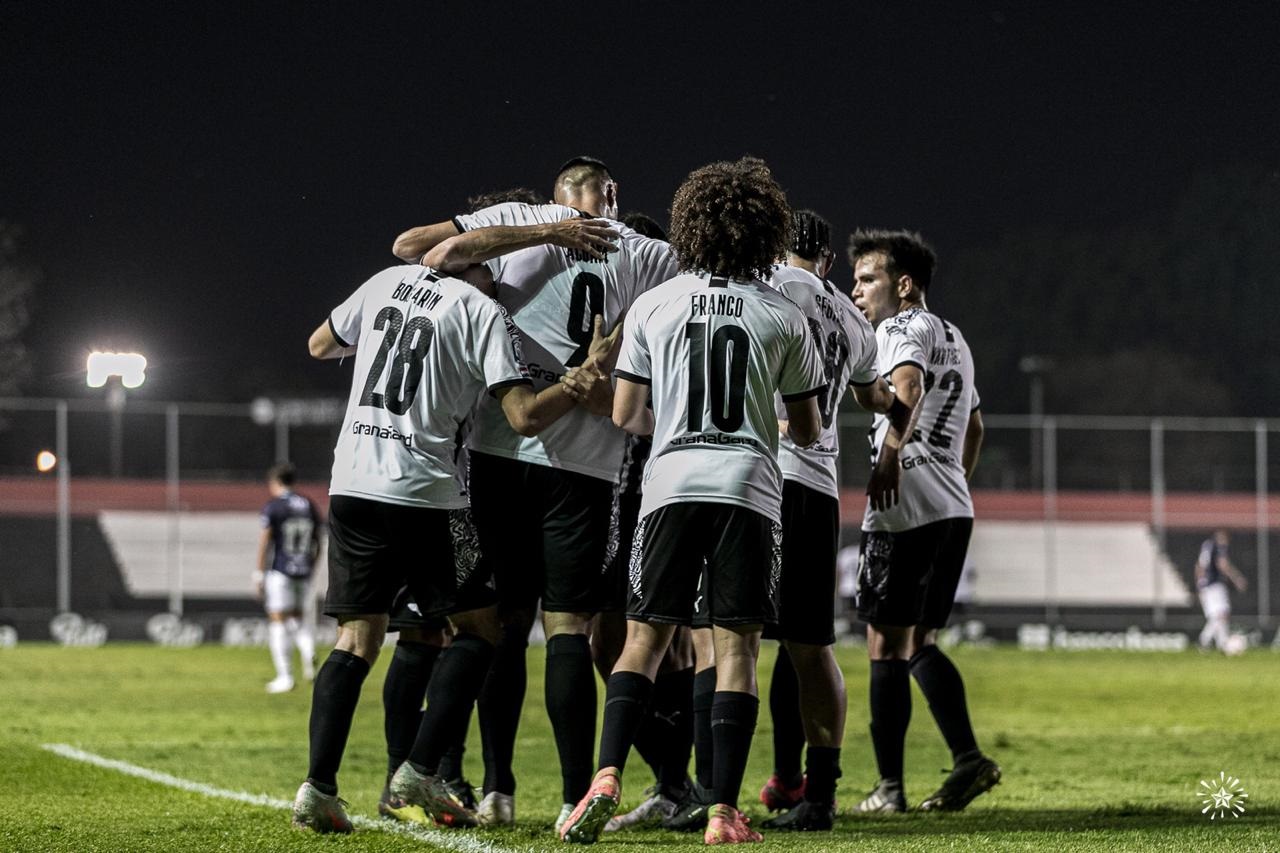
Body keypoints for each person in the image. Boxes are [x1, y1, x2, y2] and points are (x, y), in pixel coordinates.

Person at [290, 215, 613, 834]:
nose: (498, 282)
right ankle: (419, 768)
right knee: (483, 627)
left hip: (352, 483)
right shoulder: (480, 311)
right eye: (491, 271)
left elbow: (319, 345)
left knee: (355, 640)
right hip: (427, 496)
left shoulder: (383, 283)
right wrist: (577, 380)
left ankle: (319, 787)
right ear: (474, 265)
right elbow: (521, 417)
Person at [392, 157, 678, 829]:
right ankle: (570, 795)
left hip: (497, 451)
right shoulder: (642, 251)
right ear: (614, 195)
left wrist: (535, 231)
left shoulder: (514, 220)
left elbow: (419, 250)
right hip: (581, 463)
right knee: (566, 628)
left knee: (502, 625)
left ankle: (496, 786)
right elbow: (707, 289)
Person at [559, 156, 826, 846]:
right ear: (765, 232)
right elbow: (807, 429)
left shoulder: (655, 303)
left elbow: (624, 413)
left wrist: (677, 420)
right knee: (734, 649)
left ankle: (607, 775)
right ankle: (720, 812)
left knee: (643, 639)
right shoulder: (782, 312)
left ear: (692, 228)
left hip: (671, 482)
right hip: (748, 488)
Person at [849, 228, 1000, 814]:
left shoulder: (898, 329)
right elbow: (977, 428)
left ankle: (889, 789)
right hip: (951, 505)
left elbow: (905, 385)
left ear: (903, 285)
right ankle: (966, 759)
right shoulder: (956, 339)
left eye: (868, 279)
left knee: (884, 645)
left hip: (904, 503)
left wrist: (891, 460)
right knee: (918, 642)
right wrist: (951, 479)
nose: (856, 291)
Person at [756, 210, 894, 831]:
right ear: (830, 261)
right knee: (808, 647)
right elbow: (873, 395)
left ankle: (708, 791)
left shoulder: (766, 289)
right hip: (820, 488)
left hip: (763, 477)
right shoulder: (851, 318)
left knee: (717, 641)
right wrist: (898, 423)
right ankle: (815, 791)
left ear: (777, 249)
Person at [255, 462, 321, 694]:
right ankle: (308, 652)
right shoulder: (309, 505)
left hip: (281, 571)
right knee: (297, 619)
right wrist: (312, 568)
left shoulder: (274, 507)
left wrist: (259, 573)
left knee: (278, 621)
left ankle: (285, 677)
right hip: (303, 571)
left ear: (275, 482)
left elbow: (266, 541)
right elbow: (318, 543)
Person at [1196, 529, 1248, 652]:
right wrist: (1237, 578)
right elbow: (1222, 564)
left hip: (1206, 585)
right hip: (1215, 584)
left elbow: (1199, 566)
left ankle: (1222, 644)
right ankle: (1204, 640)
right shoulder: (1219, 546)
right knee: (1220, 615)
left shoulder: (1207, 545)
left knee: (1218, 615)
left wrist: (1199, 584)